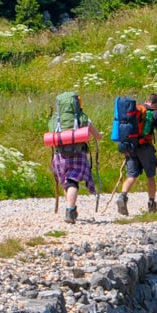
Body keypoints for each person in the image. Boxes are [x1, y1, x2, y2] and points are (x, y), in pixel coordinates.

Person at [48, 91, 97, 224]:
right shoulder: (82, 118)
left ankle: (71, 209)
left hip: (60, 157)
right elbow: (97, 135)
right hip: (78, 155)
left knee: (66, 182)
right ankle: (70, 210)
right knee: (73, 182)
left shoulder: (55, 120)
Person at [116, 92, 157, 216]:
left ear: (146, 100)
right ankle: (152, 205)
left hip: (131, 147)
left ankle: (122, 197)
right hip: (146, 148)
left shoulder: (134, 111)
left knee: (131, 176)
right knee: (150, 176)